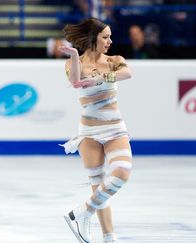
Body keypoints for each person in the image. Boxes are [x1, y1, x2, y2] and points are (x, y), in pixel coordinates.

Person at [58, 18, 133, 243]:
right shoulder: (75, 62)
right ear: (93, 39)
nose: (110, 41)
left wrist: (102, 78)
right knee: (98, 187)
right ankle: (109, 238)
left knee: (122, 172)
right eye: (105, 37)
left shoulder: (114, 60)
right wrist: (73, 55)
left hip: (115, 129)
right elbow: (75, 81)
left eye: (110, 36)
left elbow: (128, 73)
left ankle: (82, 213)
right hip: (89, 133)